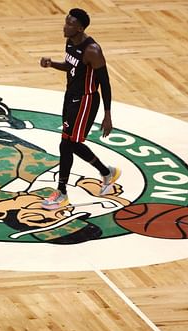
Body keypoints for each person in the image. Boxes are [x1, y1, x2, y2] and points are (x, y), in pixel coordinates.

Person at [39, 8, 120, 210]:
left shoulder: (93, 50)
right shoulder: (70, 41)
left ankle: (62, 193)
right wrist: (52, 64)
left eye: (70, 24)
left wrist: (107, 114)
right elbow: (71, 67)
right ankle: (106, 172)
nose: (65, 26)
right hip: (71, 97)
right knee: (70, 143)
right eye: (66, 22)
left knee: (66, 144)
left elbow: (106, 83)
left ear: (80, 28)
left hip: (86, 100)